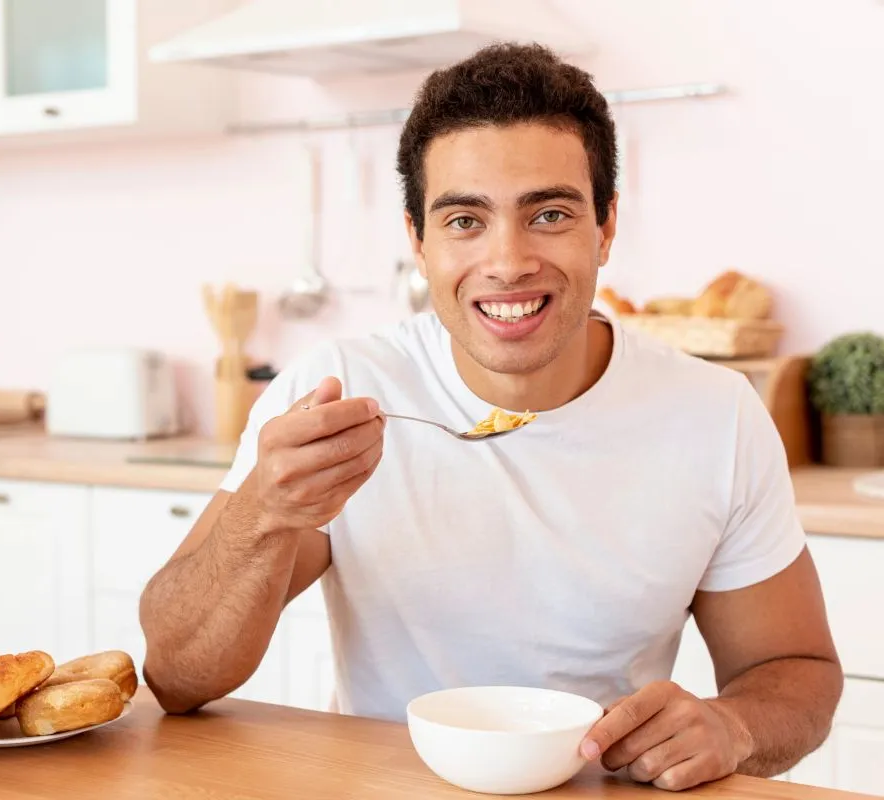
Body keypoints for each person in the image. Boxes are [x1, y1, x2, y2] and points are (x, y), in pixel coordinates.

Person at [138, 42, 842, 792]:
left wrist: (732, 727)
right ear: (419, 240)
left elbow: (795, 672)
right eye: (465, 221)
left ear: (605, 227)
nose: (508, 262)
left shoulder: (715, 415)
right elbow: (176, 677)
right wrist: (263, 514)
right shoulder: (336, 393)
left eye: (548, 213)